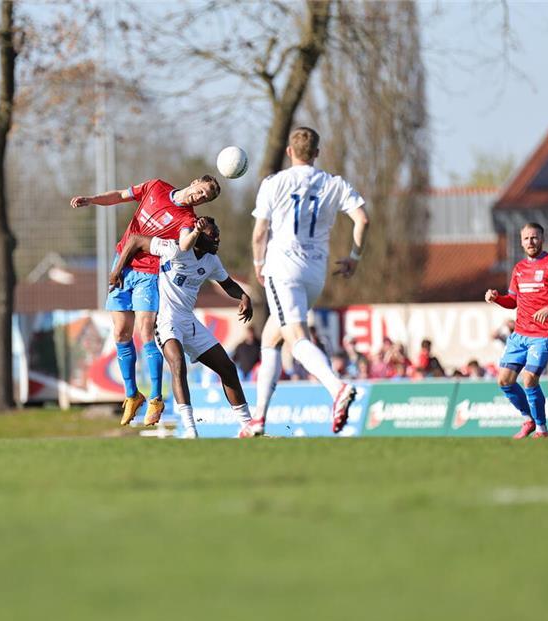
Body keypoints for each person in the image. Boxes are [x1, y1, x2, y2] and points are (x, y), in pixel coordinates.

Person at [70, 175, 221, 427]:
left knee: (146, 332)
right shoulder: (156, 186)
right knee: (119, 333)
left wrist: (195, 231)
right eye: (202, 191)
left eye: (206, 198)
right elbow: (120, 195)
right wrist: (92, 200)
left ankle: (155, 398)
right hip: (123, 261)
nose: (201, 197)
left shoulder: (189, 220)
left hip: (148, 272)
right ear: (195, 182)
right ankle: (132, 395)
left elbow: (184, 244)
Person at [247, 127, 369, 435]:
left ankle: (337, 388)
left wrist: (258, 264)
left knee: (297, 338)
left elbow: (260, 232)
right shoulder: (333, 183)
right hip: (315, 272)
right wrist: (354, 257)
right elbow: (362, 219)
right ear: (316, 153)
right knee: (271, 338)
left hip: (282, 268)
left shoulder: (274, 183)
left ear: (289, 152)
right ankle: (258, 419)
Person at [109, 217, 254, 438]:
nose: (217, 239)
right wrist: (118, 269)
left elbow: (228, 284)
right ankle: (189, 430)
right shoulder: (175, 249)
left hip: (188, 321)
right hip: (165, 320)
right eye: (213, 234)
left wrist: (243, 296)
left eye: (218, 234)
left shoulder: (212, 261)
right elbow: (137, 239)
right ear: (197, 235)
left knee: (228, 368)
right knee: (178, 364)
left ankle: (248, 427)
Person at [486, 222, 548, 439]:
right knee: (504, 380)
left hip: (544, 333)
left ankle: (542, 429)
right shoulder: (519, 269)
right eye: (527, 238)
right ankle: (528, 419)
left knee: (529, 379)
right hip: (520, 334)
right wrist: (497, 298)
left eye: (534, 237)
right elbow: (513, 301)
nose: (530, 242)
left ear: (542, 239)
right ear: (521, 241)